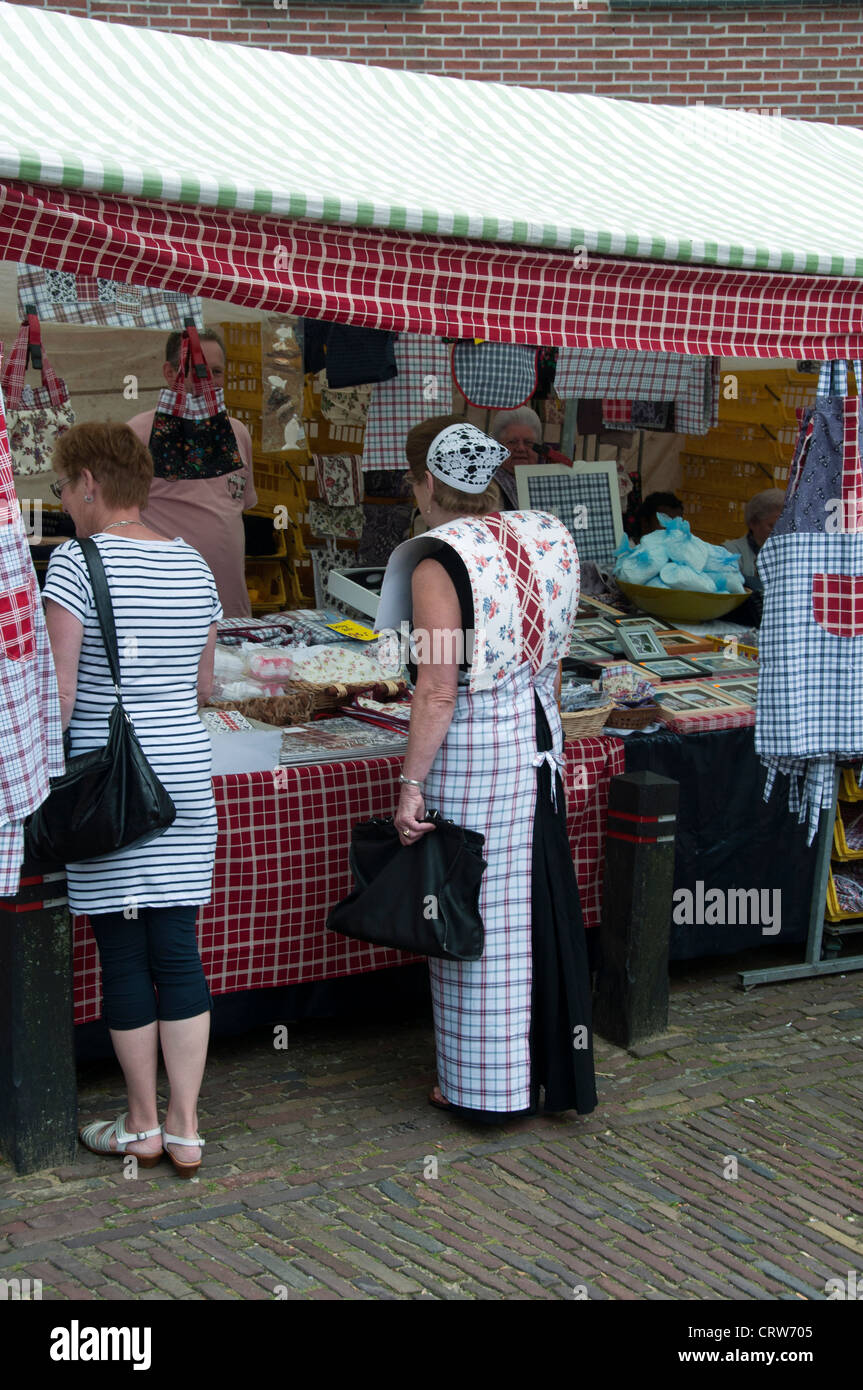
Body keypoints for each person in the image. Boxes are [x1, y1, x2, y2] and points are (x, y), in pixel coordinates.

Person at [376, 415, 597, 1121]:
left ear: (424, 482)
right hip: (539, 745)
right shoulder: (546, 533)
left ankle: (483, 1089)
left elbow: (436, 688)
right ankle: (544, 1072)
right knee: (534, 909)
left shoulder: (440, 559)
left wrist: (410, 784)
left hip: (475, 755)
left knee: (474, 919)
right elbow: (554, 661)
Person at [42, 422, 222, 1177]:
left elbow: (57, 696)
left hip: (111, 783)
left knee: (122, 948)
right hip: (182, 774)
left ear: (88, 481)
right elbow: (205, 687)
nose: (59, 503)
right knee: (177, 946)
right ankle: (185, 1129)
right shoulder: (193, 561)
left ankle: (140, 1124)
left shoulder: (73, 564)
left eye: (59, 487)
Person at [126, 328, 257, 618]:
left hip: (231, 608)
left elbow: (237, 507)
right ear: (170, 373)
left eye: (216, 371)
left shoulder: (237, 433)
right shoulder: (138, 432)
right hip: (166, 608)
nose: (205, 381)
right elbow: (116, 518)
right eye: (195, 370)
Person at [488, 406, 570, 508]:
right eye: (512, 442)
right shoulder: (488, 488)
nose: (521, 448)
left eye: (528, 442)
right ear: (498, 446)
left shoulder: (550, 481)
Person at [723, 488, 785, 586]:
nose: (779, 533)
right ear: (753, 523)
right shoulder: (730, 552)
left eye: (784, 527)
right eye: (772, 526)